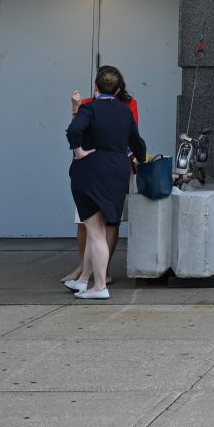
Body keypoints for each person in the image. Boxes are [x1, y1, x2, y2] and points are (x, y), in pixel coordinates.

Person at [65, 64, 146, 300]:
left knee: (95, 231)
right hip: (118, 170)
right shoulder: (125, 111)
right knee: (103, 228)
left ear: (95, 87)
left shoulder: (89, 109)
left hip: (92, 170)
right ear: (119, 88)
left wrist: (79, 152)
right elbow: (138, 143)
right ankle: (82, 281)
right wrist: (141, 162)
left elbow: (73, 131)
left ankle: (99, 285)